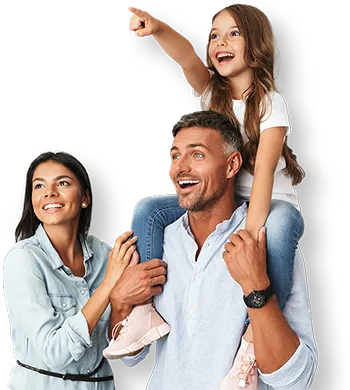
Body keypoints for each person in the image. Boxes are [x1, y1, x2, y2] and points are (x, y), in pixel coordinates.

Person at [104, 3, 306, 389]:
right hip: (226, 198)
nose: (220, 42)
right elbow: (184, 55)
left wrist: (247, 233)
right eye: (214, 35)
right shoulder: (212, 92)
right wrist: (157, 26)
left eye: (233, 34)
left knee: (274, 230)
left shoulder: (270, 103)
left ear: (257, 45)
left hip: (272, 203)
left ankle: (252, 337)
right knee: (149, 209)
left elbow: (263, 173)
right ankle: (144, 309)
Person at [108, 109, 317, 390]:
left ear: (232, 166)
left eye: (197, 155)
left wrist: (257, 287)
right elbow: (132, 357)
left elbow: (295, 380)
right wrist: (120, 304)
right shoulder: (159, 242)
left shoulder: (268, 243)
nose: (180, 168)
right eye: (174, 156)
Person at [2, 149, 167, 389]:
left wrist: (122, 304)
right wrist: (109, 285)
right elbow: (54, 353)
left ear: (84, 198)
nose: (49, 192)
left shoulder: (105, 255)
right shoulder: (23, 260)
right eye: (39, 186)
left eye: (63, 183)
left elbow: (129, 355)